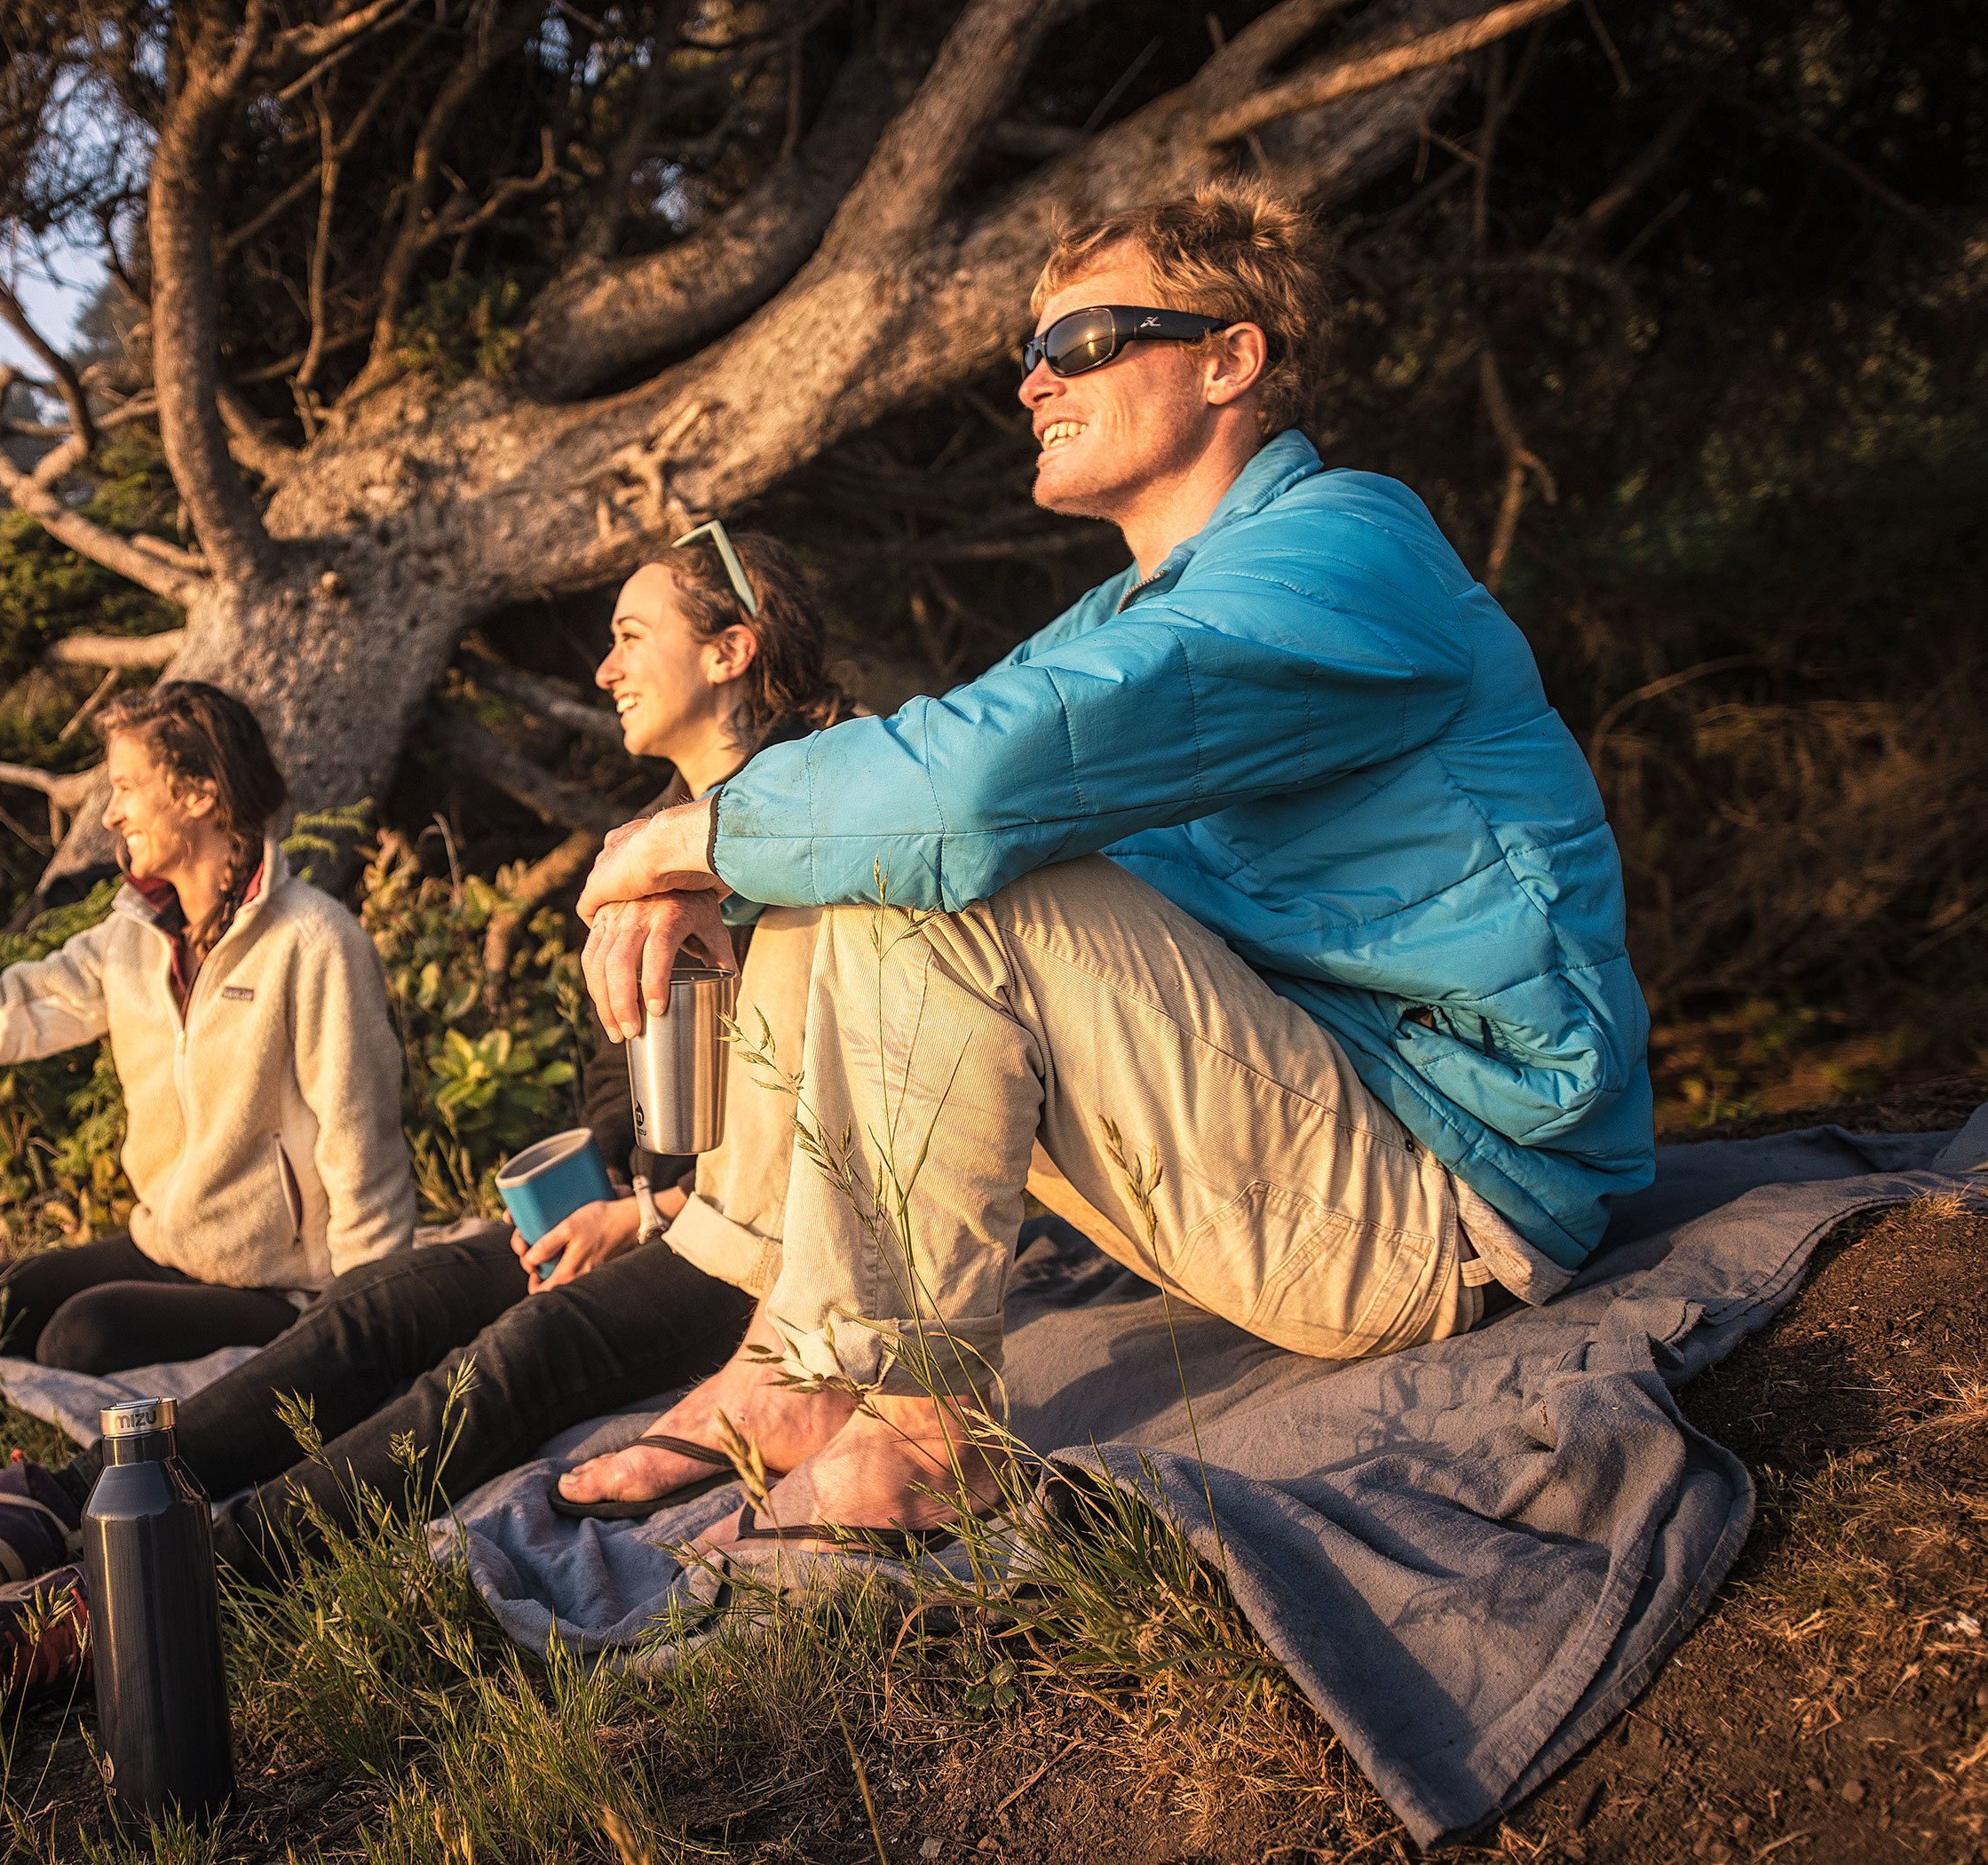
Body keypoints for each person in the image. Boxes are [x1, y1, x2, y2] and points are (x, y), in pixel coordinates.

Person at [557, 180, 1657, 1560]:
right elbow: (904, 783)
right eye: (1033, 353)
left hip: (1446, 1205)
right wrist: (713, 893)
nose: (1030, 383)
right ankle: (790, 1364)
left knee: (942, 885)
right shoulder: (1125, 608)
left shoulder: (1348, 551)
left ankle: (921, 1433)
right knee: (839, 884)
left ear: (1227, 358)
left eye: (1079, 344)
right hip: (1287, 1143)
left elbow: (968, 788)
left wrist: (682, 838)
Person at [0, 537, 857, 1745]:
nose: (602, 663)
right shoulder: (653, 838)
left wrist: (656, 1211)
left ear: (730, 650)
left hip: (757, 1246)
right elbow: (625, 1082)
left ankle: (130, 1599)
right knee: (388, 1307)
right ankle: (59, 1505)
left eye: (628, 633)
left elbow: (833, 1105)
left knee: (509, 1362)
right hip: (652, 1212)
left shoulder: (832, 822)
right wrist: (614, 1178)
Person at [0, 680, 416, 1385]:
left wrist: (363, 1330)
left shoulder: (313, 942)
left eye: (126, 788)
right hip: (162, 1249)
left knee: (82, 1339)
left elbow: (360, 1148)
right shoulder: (134, 939)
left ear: (200, 794)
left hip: (278, 1288)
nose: (112, 814)